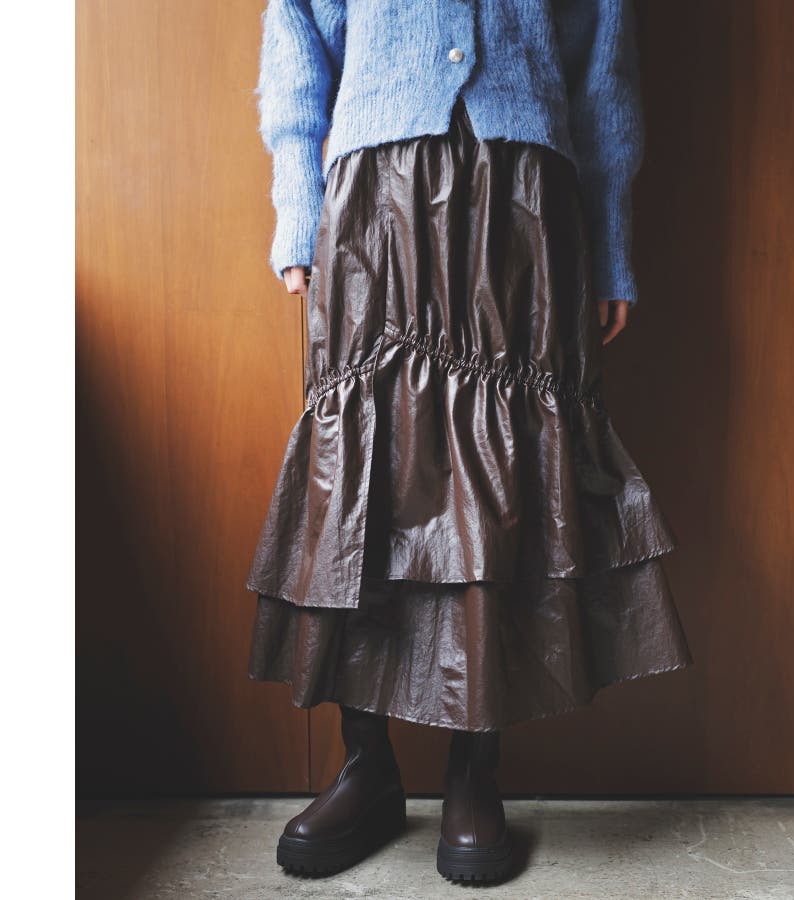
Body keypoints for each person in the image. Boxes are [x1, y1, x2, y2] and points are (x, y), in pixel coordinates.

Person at [245, 0, 692, 885]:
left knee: (500, 474)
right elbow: (295, 37)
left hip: (525, 197)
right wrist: (297, 205)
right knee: (367, 470)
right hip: (374, 196)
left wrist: (609, 242)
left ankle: (473, 768)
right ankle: (366, 765)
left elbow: (603, 67)